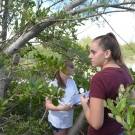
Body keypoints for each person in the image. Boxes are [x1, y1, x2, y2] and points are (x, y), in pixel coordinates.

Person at [80, 32, 133, 135]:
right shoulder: (126, 73)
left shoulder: (99, 78)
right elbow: (130, 105)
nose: (89, 56)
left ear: (107, 53)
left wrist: (84, 104)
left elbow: (96, 124)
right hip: (120, 131)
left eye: (93, 52)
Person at [45, 60, 78, 135]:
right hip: (58, 121)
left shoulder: (71, 82)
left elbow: (76, 97)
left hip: (68, 120)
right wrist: (62, 108)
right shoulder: (53, 85)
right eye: (67, 74)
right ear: (60, 70)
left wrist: (76, 104)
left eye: (71, 74)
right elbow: (48, 105)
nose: (69, 76)